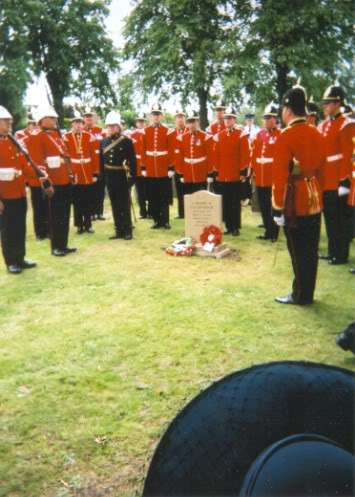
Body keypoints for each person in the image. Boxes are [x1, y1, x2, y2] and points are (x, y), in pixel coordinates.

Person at [272, 84, 324, 305]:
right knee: (310, 251)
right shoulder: (316, 132)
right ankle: (307, 292)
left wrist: (277, 207)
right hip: (315, 196)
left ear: (288, 109)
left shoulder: (286, 135)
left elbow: (279, 177)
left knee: (298, 251)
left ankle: (300, 295)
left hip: (295, 202)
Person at [0, 105, 52, 273]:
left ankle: (20, 258)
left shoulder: (11, 140)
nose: (9, 124)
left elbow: (23, 164)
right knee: (8, 228)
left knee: (20, 226)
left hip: (20, 191)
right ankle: (11, 262)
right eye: (6, 121)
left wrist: (40, 175)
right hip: (5, 194)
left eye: (9, 121)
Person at [26, 105, 77, 257]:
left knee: (64, 214)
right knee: (54, 215)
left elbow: (65, 157)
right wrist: (46, 183)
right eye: (52, 118)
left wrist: (71, 173)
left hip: (64, 179)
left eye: (55, 117)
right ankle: (56, 247)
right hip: (53, 182)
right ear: (42, 120)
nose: (55, 120)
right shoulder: (36, 136)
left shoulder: (56, 135)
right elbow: (37, 162)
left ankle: (63, 244)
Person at [318, 84, 353, 265]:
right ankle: (332, 250)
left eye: (328, 103)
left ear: (338, 103)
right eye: (324, 103)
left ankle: (341, 255)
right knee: (330, 219)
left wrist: (345, 182)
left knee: (340, 220)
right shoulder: (325, 125)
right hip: (325, 179)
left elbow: (348, 156)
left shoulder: (347, 124)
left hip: (338, 180)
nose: (325, 106)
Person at [214, 106, 250, 236]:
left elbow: (245, 155)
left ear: (234, 120)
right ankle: (228, 226)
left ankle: (236, 227)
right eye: (226, 118)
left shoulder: (241, 134)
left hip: (235, 175)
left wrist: (242, 173)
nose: (228, 121)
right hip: (223, 175)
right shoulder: (219, 136)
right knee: (226, 202)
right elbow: (216, 156)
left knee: (235, 202)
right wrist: (216, 172)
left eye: (230, 118)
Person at [100, 111, 136, 240]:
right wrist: (102, 178)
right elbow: (101, 162)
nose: (111, 128)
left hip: (121, 175)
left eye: (113, 125)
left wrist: (132, 178)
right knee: (114, 204)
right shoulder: (103, 142)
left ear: (119, 126)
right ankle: (118, 230)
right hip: (109, 176)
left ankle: (127, 231)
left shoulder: (126, 141)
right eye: (109, 126)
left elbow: (132, 161)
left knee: (124, 204)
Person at [140, 103, 174, 229]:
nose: (156, 116)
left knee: (164, 196)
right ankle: (156, 220)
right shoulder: (145, 131)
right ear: (151, 116)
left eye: (158, 114)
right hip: (150, 169)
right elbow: (142, 150)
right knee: (153, 196)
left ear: (162, 115)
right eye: (154, 114)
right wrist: (143, 167)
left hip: (163, 169)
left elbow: (171, 150)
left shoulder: (168, 131)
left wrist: (171, 167)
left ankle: (165, 220)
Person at [251, 103, 281, 241]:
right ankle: (268, 231)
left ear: (276, 119)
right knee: (263, 205)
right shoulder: (259, 134)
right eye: (266, 118)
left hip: (272, 177)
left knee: (273, 205)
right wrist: (254, 171)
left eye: (271, 118)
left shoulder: (280, 134)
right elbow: (255, 154)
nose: (268, 120)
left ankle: (274, 232)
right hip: (261, 176)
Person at [64, 113, 97, 234]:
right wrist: (69, 172)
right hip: (75, 171)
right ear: (72, 124)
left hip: (87, 171)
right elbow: (66, 157)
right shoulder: (66, 137)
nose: (78, 125)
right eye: (75, 122)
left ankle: (88, 224)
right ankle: (79, 225)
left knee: (87, 199)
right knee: (77, 200)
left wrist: (95, 172)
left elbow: (93, 155)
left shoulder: (89, 136)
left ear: (82, 123)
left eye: (79, 122)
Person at [175, 110, 214, 207]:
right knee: (189, 201)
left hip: (201, 173)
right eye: (189, 122)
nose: (191, 125)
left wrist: (210, 174)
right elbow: (179, 157)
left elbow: (210, 157)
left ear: (198, 122)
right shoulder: (181, 138)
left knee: (202, 200)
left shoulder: (206, 137)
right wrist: (180, 174)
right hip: (187, 174)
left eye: (193, 121)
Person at [82, 107, 106, 221]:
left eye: (90, 116)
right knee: (89, 191)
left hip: (100, 165)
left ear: (94, 118)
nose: (89, 118)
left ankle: (99, 213)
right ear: (83, 118)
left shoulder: (101, 131)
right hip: (87, 166)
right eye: (86, 116)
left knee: (100, 190)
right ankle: (91, 213)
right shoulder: (80, 131)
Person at [169, 110, 188, 219]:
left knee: (188, 190)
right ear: (175, 119)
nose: (180, 119)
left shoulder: (188, 130)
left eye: (182, 117)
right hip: (177, 166)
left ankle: (189, 212)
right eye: (178, 117)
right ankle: (181, 213)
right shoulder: (172, 132)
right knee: (179, 190)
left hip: (187, 165)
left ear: (185, 118)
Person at [130, 112, 148, 219]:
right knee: (140, 191)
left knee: (149, 190)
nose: (141, 123)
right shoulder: (132, 135)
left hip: (148, 165)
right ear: (136, 123)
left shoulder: (148, 133)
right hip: (137, 167)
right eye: (139, 121)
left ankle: (151, 211)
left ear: (145, 123)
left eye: (143, 121)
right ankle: (143, 212)